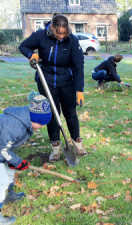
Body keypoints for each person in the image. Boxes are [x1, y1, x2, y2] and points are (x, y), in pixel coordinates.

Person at [18, 14, 87, 162]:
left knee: (70, 113)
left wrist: (79, 90)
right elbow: (23, 46)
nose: (61, 36)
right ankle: (55, 148)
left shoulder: (72, 41)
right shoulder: (40, 36)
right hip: (46, 80)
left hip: (67, 81)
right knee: (53, 115)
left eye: (64, 33)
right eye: (58, 33)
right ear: (52, 28)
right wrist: (31, 54)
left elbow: (78, 66)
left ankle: (78, 144)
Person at [0, 91, 52, 224]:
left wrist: (13, 163)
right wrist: (17, 161)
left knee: (9, 171)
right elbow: (3, 149)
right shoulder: (14, 127)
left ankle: (8, 195)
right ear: (34, 119)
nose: (43, 126)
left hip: (2, 149)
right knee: (2, 182)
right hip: (1, 149)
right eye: (42, 123)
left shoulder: (23, 119)